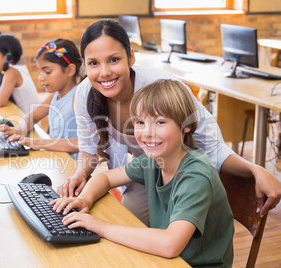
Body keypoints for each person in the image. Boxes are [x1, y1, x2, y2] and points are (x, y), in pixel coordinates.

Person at [58, 19, 281, 225]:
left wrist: (255, 170)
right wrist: (80, 174)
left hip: (183, 175)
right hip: (145, 171)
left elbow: (213, 147)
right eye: (94, 63)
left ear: (131, 57)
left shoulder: (163, 88)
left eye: (114, 60)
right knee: (125, 225)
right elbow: (88, 150)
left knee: (167, 240)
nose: (104, 72)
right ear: (85, 66)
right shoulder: (87, 92)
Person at [51, 79, 234, 267]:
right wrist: (84, 200)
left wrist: (101, 227)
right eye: (140, 122)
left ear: (186, 125)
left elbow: (170, 244)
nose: (147, 133)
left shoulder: (195, 176)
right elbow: (105, 177)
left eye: (160, 122)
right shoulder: (154, 159)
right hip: (163, 259)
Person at [0, 39, 82, 159]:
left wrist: (38, 142)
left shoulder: (78, 97)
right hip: (57, 158)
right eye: (39, 71)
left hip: (73, 168)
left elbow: (83, 143)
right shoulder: (56, 95)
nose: (41, 77)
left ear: (69, 70)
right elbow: (32, 116)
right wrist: (20, 130)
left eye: (47, 72)